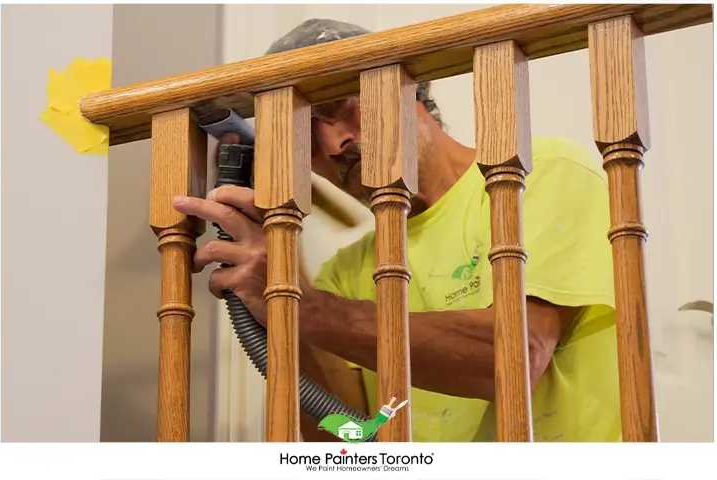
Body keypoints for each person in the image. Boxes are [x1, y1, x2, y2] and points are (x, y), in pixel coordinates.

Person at [172, 19, 622, 442]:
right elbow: (344, 435)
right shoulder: (346, 274)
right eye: (303, 137)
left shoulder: (532, 174)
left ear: (410, 90)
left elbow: (511, 359)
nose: (333, 144)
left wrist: (308, 310)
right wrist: (279, 273)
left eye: (340, 106)